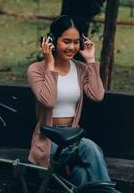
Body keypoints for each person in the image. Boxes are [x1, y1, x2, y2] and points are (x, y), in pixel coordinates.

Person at [27, 15, 111, 187]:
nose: (72, 47)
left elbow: (97, 95)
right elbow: (48, 101)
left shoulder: (80, 69)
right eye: (66, 41)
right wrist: (50, 66)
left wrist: (90, 60)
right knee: (90, 148)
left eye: (75, 42)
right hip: (48, 141)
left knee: (81, 175)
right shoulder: (36, 70)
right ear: (52, 41)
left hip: (72, 138)